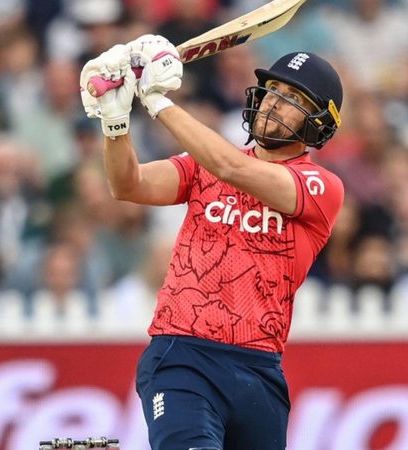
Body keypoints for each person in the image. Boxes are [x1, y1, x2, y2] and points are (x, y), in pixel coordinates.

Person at [79, 35, 344, 450]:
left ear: (318, 122)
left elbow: (230, 166)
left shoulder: (321, 186)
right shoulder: (203, 165)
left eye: (292, 98)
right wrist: (115, 122)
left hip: (259, 371)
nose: (274, 102)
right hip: (183, 355)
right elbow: (128, 184)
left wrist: (156, 100)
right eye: (272, 89)